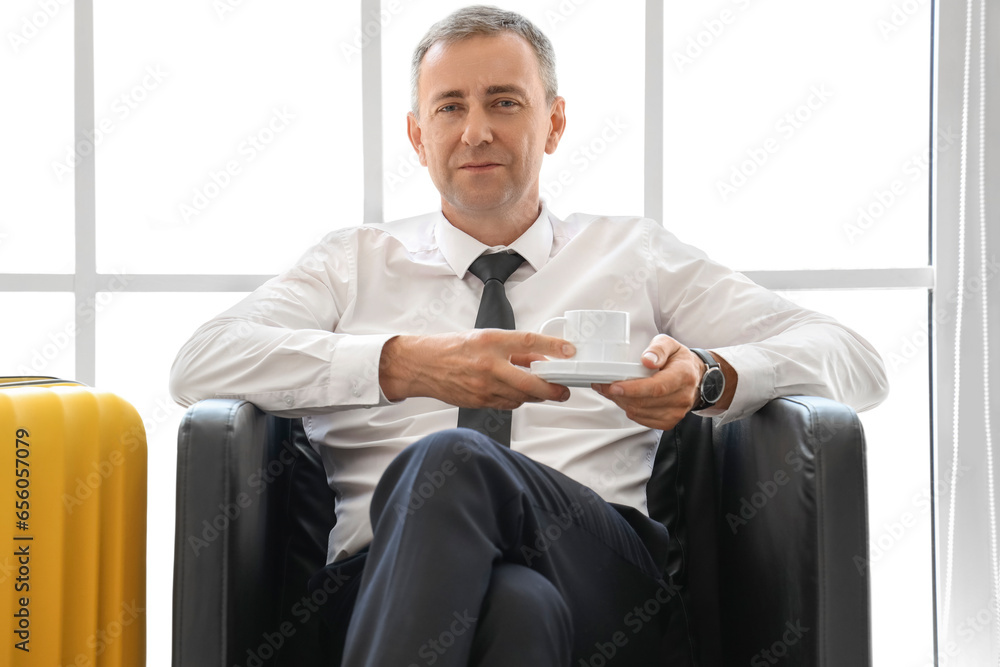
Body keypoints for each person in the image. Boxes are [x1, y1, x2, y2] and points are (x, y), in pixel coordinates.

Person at [170, 5, 888, 666]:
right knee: (516, 606)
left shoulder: (633, 254)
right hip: (377, 582)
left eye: (504, 102)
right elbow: (200, 362)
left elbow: (856, 360)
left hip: (602, 577)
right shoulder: (348, 263)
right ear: (418, 136)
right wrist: (407, 364)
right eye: (449, 107)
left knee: (453, 460)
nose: (476, 130)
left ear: (555, 121)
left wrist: (707, 375)